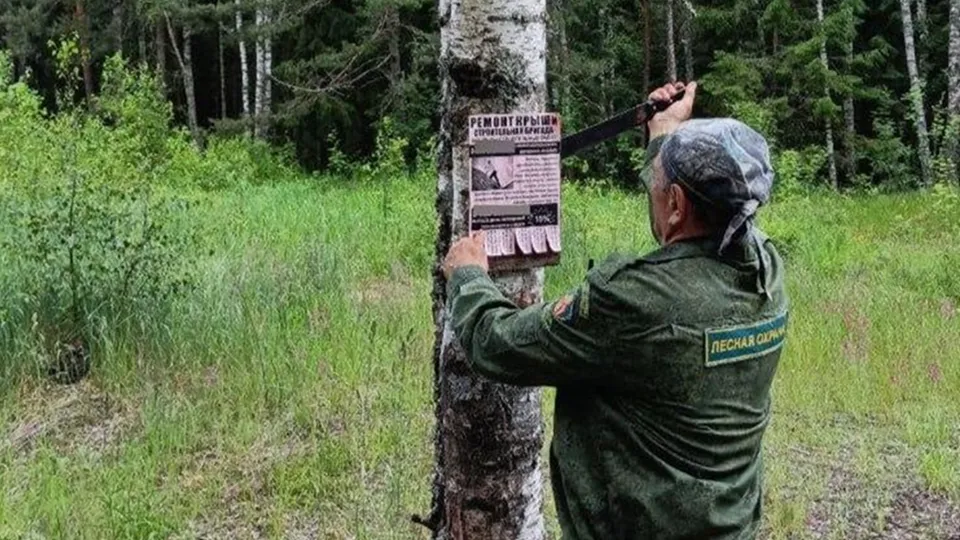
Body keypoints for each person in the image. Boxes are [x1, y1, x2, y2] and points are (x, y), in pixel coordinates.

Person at [441, 81, 789, 540]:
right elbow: (687, 228)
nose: (653, 190)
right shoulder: (765, 268)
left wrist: (468, 277)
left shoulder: (633, 301)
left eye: (657, 185)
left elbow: (498, 343)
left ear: (678, 203)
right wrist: (665, 134)